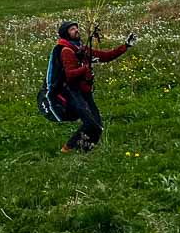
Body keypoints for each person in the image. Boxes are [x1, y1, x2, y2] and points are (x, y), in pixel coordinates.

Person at [41, 21, 134, 153]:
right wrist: (85, 68)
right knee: (91, 123)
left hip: (84, 91)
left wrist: (125, 46)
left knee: (97, 125)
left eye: (76, 28)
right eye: (72, 29)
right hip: (73, 92)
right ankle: (68, 149)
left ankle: (85, 150)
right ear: (66, 34)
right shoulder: (67, 51)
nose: (76, 30)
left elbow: (105, 56)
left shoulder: (81, 49)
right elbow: (69, 75)